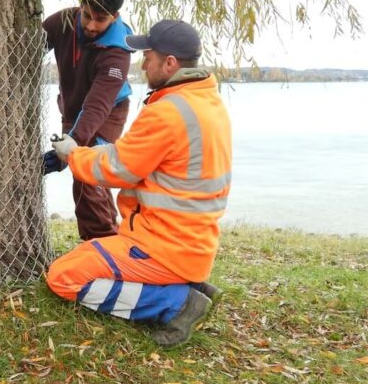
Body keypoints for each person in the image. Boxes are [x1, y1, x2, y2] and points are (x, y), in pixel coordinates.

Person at [45, 20, 232, 347]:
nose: (143, 65)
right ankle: (188, 284)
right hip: (189, 244)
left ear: (169, 63)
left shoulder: (168, 112)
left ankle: (177, 303)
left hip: (161, 247)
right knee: (86, 254)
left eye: (148, 57)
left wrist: (72, 154)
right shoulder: (206, 101)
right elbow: (132, 156)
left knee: (63, 277)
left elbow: (117, 168)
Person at [42, 0, 134, 241]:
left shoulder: (117, 52)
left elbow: (97, 106)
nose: (91, 25)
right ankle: (113, 240)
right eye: (87, 16)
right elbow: (28, 47)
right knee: (86, 170)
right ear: (80, 7)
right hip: (72, 107)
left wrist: (72, 147)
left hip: (108, 111)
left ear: (115, 17)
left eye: (100, 19)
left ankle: (101, 242)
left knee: (88, 173)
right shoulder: (63, 21)